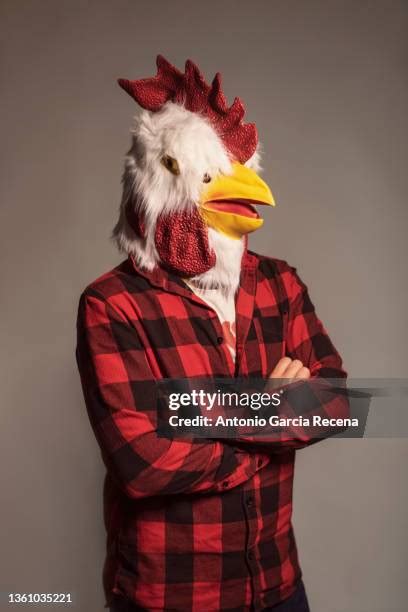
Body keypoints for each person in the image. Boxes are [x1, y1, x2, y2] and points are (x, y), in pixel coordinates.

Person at [76, 56, 347, 611]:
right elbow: (143, 463)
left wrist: (193, 414)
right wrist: (267, 412)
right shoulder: (112, 304)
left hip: (277, 586)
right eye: (206, 178)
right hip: (170, 595)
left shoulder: (278, 283)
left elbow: (339, 402)